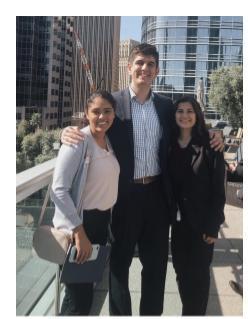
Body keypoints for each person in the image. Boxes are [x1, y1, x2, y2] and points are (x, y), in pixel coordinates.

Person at [61, 44, 224, 315]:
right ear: (129, 67)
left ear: (157, 71)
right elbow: (93, 125)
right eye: (139, 63)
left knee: (156, 265)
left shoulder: (165, 107)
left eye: (150, 64)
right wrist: (66, 132)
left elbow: (189, 128)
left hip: (159, 197)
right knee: (119, 265)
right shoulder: (114, 103)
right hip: (123, 197)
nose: (144, 69)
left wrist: (213, 135)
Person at [50, 91, 120, 315]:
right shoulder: (78, 141)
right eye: (96, 111)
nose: (102, 117)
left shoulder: (109, 140)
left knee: (85, 293)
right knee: (77, 300)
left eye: (107, 111)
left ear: (114, 114)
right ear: (86, 114)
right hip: (81, 225)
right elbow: (58, 189)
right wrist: (79, 232)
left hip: (101, 224)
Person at [168, 96, 226, 315]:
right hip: (178, 225)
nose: (184, 115)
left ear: (197, 114)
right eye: (180, 111)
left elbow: (218, 192)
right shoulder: (170, 145)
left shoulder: (211, 146)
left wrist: (213, 227)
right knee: (181, 273)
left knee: (199, 278)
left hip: (202, 227)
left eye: (189, 111)